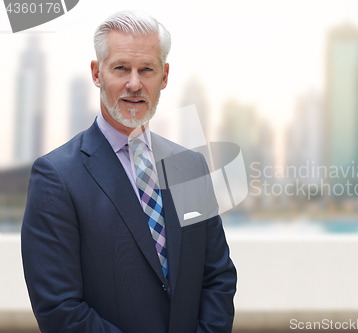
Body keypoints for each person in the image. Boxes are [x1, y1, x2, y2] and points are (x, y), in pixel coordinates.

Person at [21, 10, 237, 333]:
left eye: (146, 69)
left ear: (163, 77)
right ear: (97, 73)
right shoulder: (56, 178)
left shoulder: (190, 167)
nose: (134, 83)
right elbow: (59, 309)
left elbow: (218, 277)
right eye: (121, 68)